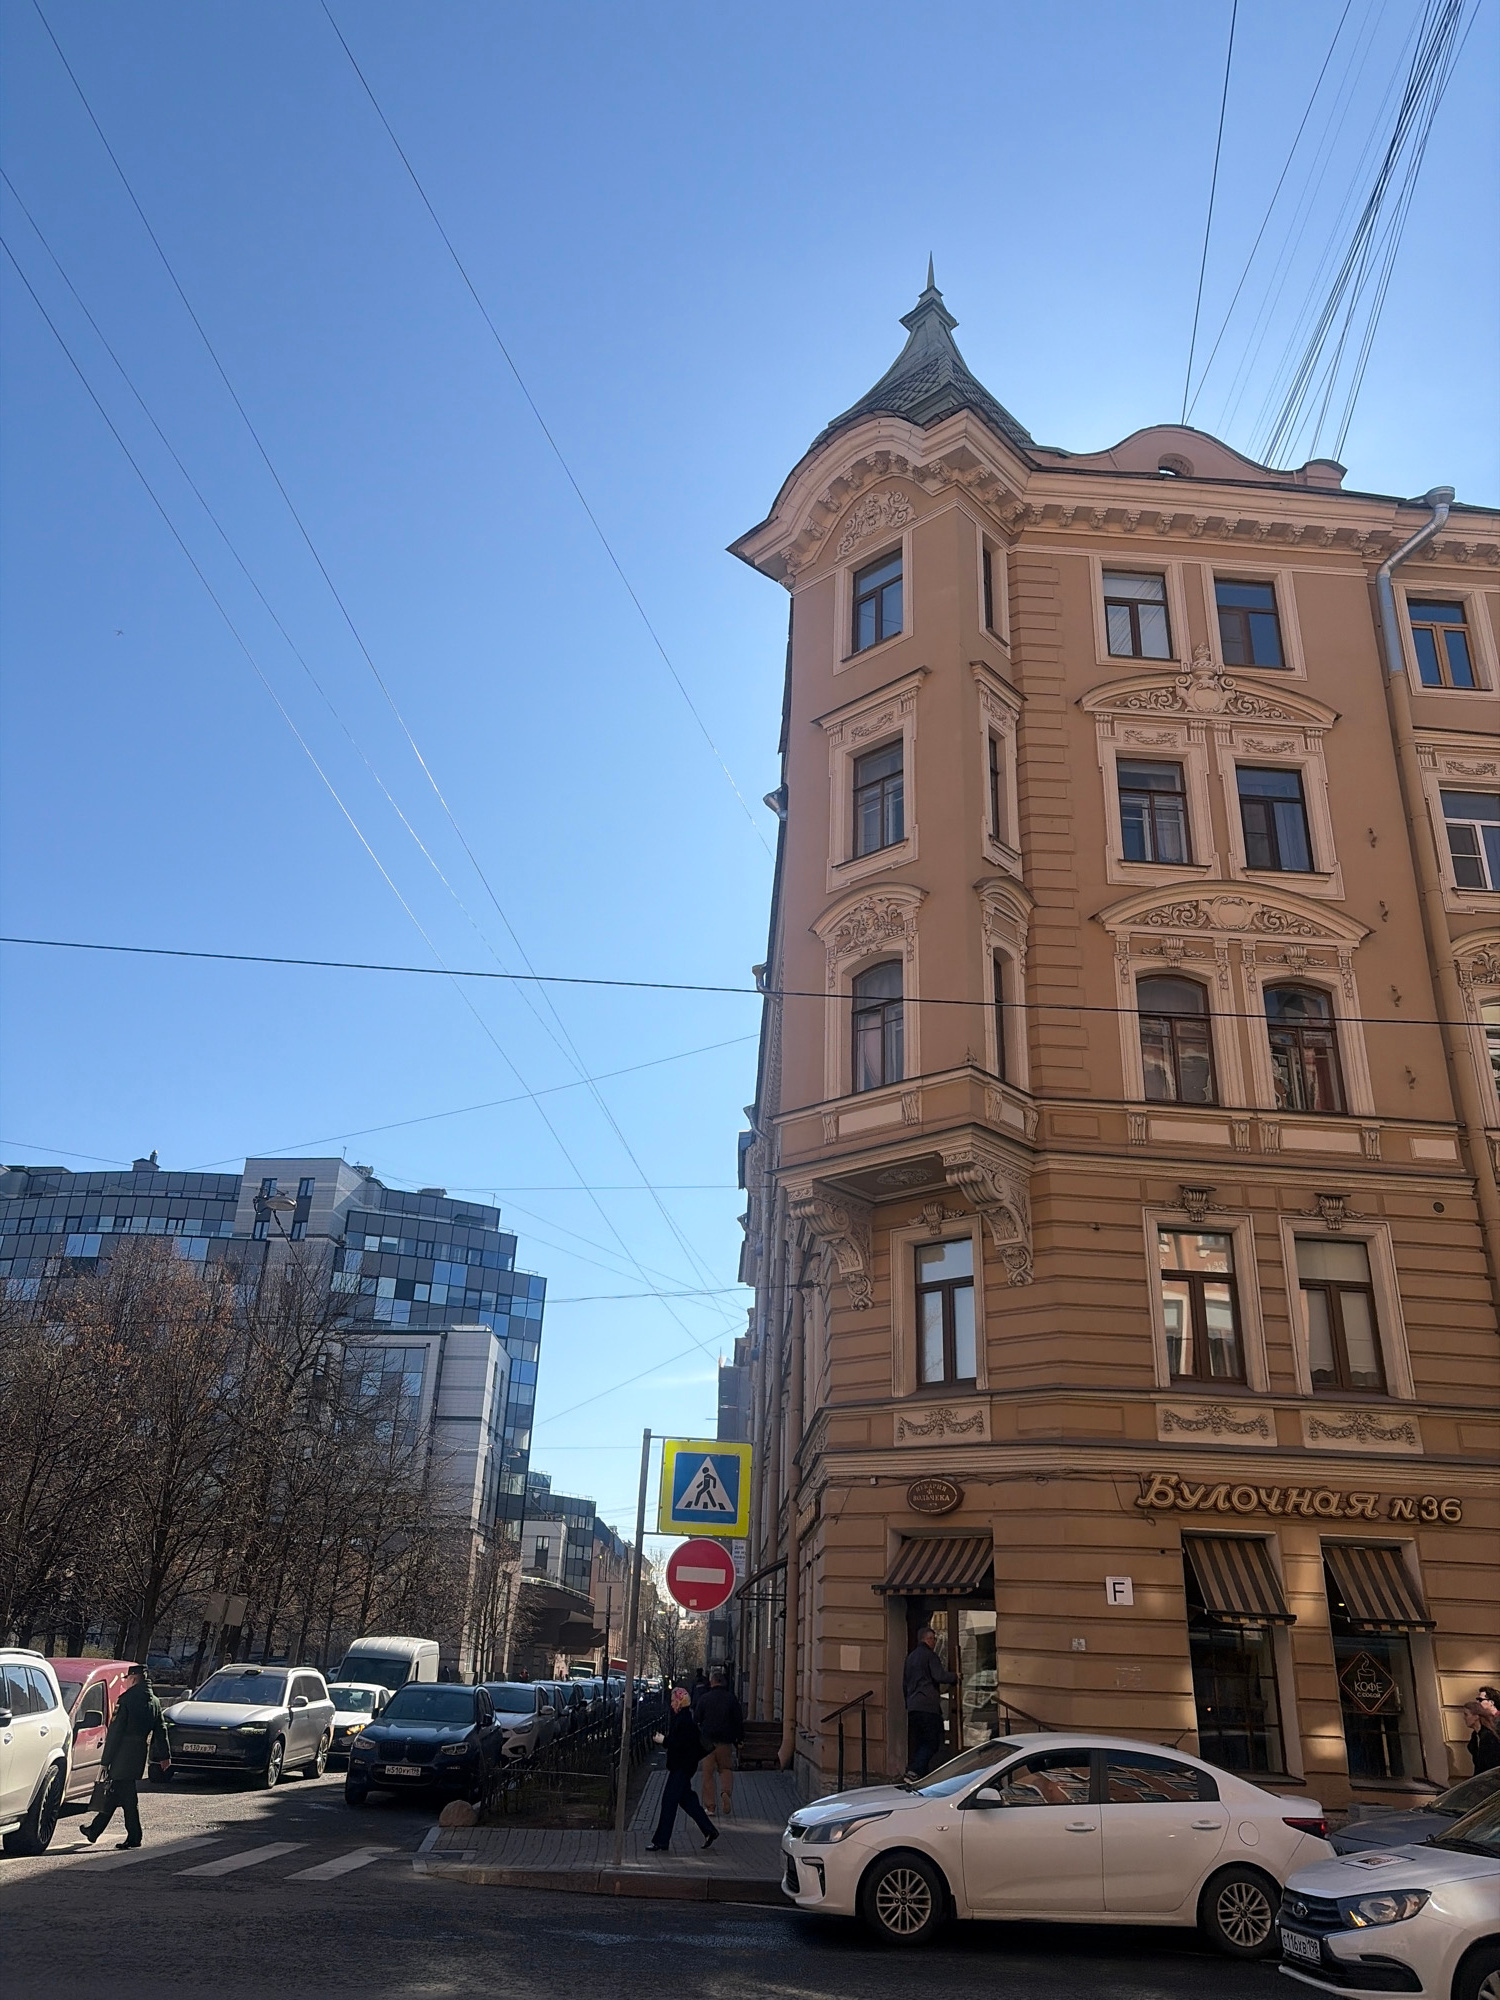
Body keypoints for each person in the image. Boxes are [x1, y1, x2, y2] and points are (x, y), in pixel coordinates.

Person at [81, 1663, 170, 1849]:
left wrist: (106, 1760)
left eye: (127, 1679)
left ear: (134, 1679)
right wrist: (164, 1756)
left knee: (128, 1797)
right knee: (116, 1793)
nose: (126, 1682)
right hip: (138, 1753)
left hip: (122, 1754)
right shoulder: (154, 1701)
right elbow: (161, 1730)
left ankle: (134, 1836)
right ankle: (94, 1830)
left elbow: (116, 1732)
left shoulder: (126, 1699)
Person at [648, 1686, 719, 1853]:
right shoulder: (683, 1717)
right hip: (683, 1767)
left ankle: (661, 1841)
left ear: (680, 1702)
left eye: (674, 1700)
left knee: (669, 1802)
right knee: (687, 1800)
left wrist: (664, 1741)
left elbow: (680, 1745)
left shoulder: (684, 1721)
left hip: (682, 1767)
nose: (672, 1703)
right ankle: (709, 1830)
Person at [903, 1624, 956, 1779]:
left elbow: (904, 1683)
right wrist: (955, 1676)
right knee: (932, 1741)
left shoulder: (910, 1657)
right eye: (932, 1639)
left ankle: (920, 1773)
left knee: (919, 1741)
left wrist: (908, 1703)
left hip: (913, 1706)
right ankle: (915, 1770)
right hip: (928, 1706)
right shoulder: (930, 1656)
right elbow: (939, 1676)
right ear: (926, 1639)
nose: (934, 1642)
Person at [695, 1669, 745, 1817]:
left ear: (712, 1682)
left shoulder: (704, 1698)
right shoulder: (731, 1699)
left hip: (707, 1743)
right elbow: (738, 1721)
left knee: (708, 1774)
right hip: (725, 1742)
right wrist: (739, 1739)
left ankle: (710, 1807)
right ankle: (725, 1792)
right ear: (723, 1683)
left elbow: (696, 1719)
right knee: (725, 1769)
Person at [1464, 1699, 1500, 1775]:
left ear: (1476, 1716)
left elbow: (1493, 1764)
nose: (1464, 1718)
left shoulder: (1488, 1737)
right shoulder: (1475, 1736)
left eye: (1466, 1714)